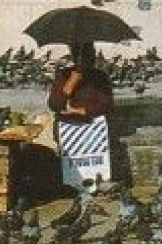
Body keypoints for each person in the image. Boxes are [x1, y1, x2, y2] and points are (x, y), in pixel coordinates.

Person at [48, 48, 116, 192]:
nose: (85, 60)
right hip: (68, 128)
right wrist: (71, 83)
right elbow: (54, 104)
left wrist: (82, 111)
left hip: (92, 128)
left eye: (88, 55)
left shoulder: (100, 77)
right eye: (80, 56)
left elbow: (107, 104)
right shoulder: (64, 75)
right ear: (74, 57)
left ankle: (97, 184)